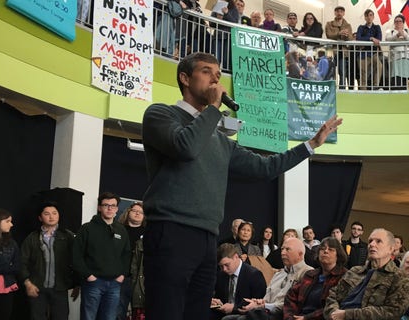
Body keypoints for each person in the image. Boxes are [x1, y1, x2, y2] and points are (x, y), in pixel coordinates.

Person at [141, 52, 342, 320]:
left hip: (207, 237)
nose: (216, 78)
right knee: (166, 312)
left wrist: (310, 145)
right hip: (171, 229)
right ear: (185, 78)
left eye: (218, 72)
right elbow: (185, 146)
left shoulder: (219, 140)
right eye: (206, 71)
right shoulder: (161, 114)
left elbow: (265, 168)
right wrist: (212, 109)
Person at [324, 228, 409, 320]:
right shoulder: (354, 271)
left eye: (378, 241)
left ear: (390, 249)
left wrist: (347, 315)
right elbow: (333, 295)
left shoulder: (399, 277)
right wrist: (333, 313)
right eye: (370, 241)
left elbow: (393, 312)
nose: (372, 244)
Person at [72, 192, 130, 320]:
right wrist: (88, 275)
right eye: (106, 205)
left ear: (117, 208)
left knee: (109, 318)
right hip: (93, 283)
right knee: (89, 317)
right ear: (99, 207)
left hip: (115, 283)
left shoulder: (121, 230)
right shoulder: (87, 228)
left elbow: (126, 255)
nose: (110, 208)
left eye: (113, 206)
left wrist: (122, 275)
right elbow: (76, 255)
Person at [225, 237, 312, 320]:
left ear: (300, 254)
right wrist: (257, 303)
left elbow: (296, 304)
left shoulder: (307, 273)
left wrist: (263, 306)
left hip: (283, 315)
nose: (282, 253)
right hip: (266, 312)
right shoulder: (279, 274)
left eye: (287, 249)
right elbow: (266, 299)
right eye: (282, 249)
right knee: (228, 318)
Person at [20, 202, 77, 320]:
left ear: (59, 216)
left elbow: (77, 260)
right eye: (47, 214)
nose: (51, 217)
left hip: (60, 287)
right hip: (37, 287)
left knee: (61, 317)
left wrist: (77, 284)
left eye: (54, 213)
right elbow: (21, 262)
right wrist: (27, 283)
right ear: (40, 217)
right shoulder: (32, 237)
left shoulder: (68, 236)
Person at [283, 237, 347, 320]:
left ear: (338, 255)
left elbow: (337, 307)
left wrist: (306, 318)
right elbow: (291, 296)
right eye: (322, 249)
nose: (325, 251)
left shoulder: (344, 276)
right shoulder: (310, 274)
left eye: (330, 249)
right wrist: (290, 317)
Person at [210, 243, 266, 320]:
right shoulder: (221, 274)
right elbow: (219, 297)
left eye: (227, 265)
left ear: (236, 257)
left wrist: (234, 307)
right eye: (221, 266)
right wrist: (215, 301)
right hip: (222, 312)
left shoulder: (254, 275)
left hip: (245, 314)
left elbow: (258, 305)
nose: (224, 269)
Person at [116, 202, 146, 320]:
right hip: (121, 277)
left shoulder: (148, 233)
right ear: (128, 212)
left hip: (140, 280)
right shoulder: (118, 230)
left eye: (141, 212)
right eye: (135, 211)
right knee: (118, 312)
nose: (138, 213)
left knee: (138, 313)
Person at [0, 208, 20, 320]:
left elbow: (17, 266)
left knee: (4, 316)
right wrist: (6, 265)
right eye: (7, 221)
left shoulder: (12, 243)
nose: (12, 224)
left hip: (6, 286)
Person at [324, 6, 353, 89]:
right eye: (337, 11)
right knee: (330, 72)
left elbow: (351, 39)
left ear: (344, 13)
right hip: (332, 51)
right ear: (335, 13)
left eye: (341, 11)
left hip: (343, 52)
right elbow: (329, 35)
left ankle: (342, 90)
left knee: (342, 72)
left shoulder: (348, 25)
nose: (339, 13)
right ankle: (330, 90)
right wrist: (339, 34)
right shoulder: (329, 24)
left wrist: (346, 36)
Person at [386, 14, 409, 90]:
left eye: (400, 21)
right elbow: (388, 40)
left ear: (403, 23)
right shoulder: (391, 32)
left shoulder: (407, 31)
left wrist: (405, 36)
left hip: (408, 58)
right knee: (397, 80)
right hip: (396, 58)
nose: (398, 23)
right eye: (396, 21)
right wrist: (397, 36)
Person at [356, 9, 383, 90]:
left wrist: (368, 40)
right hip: (363, 54)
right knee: (363, 72)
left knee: (379, 66)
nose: (369, 17)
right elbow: (359, 39)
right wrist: (371, 38)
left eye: (371, 15)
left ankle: (375, 86)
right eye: (367, 15)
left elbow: (379, 39)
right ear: (365, 17)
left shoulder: (377, 27)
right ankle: (363, 89)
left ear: (373, 17)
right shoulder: (361, 27)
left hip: (374, 53)